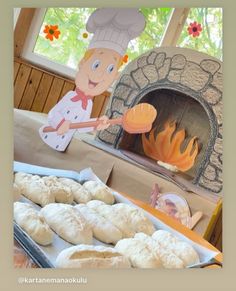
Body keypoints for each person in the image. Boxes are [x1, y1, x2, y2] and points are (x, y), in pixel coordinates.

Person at [39, 8, 146, 151]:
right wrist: (61, 123)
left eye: (110, 70)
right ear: (83, 63)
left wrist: (97, 123)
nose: (100, 75)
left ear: (114, 76)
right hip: (47, 137)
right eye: (96, 64)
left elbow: (82, 125)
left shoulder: (88, 103)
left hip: (62, 146)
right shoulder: (71, 96)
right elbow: (53, 113)